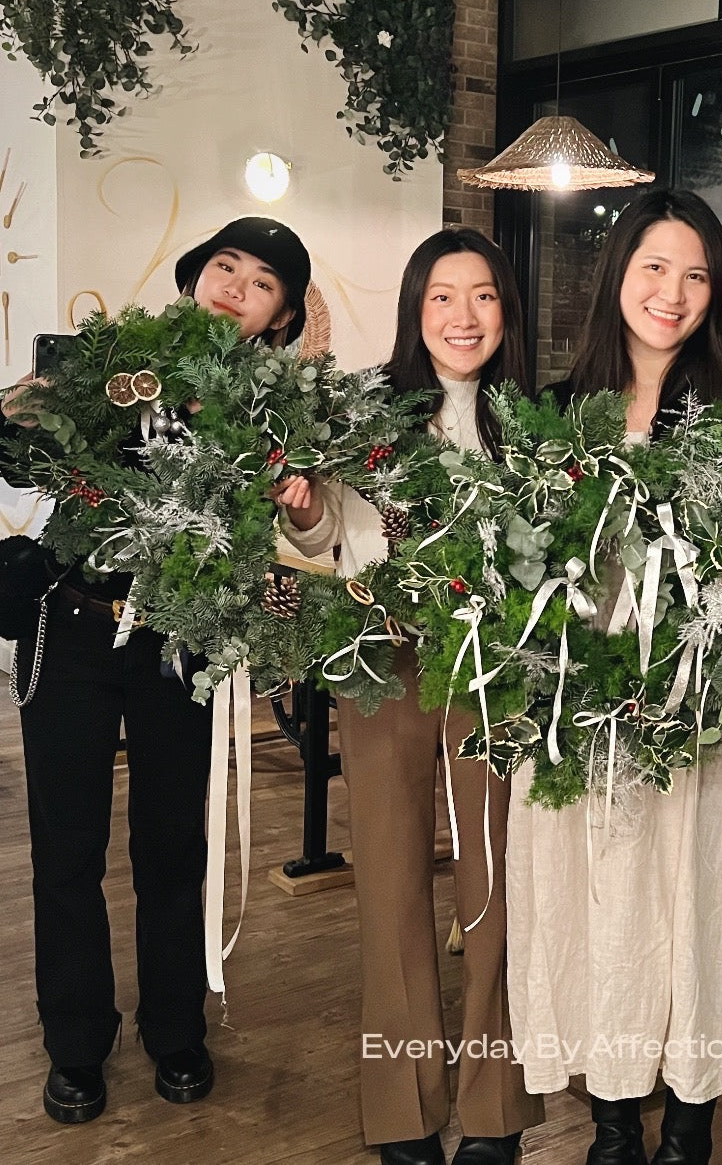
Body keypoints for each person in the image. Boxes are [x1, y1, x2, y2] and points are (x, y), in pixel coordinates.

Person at [505, 188, 722, 1165]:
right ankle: (614, 1119)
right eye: (655, 270)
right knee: (603, 908)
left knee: (707, 899)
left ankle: (692, 1122)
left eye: (697, 275)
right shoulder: (552, 408)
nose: (673, 294)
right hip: (586, 717)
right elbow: (518, 562)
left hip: (709, 717)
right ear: (617, 276)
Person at [0, 216, 310, 1125]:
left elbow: (287, 544)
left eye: (260, 283)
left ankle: (176, 1029)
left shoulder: (274, 411)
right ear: (192, 276)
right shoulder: (111, 362)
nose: (234, 286)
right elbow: (20, 463)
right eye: (224, 266)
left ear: (279, 319)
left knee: (173, 846)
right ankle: (75, 1044)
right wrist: (21, 409)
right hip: (74, 628)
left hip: (185, 637)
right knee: (67, 851)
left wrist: (294, 498)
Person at [274, 227, 544, 1165]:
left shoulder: (540, 423)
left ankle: (496, 1105)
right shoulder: (366, 413)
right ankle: (401, 1102)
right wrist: (306, 516)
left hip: (499, 669)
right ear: (413, 309)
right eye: (441, 296)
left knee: (496, 884)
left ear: (507, 310)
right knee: (389, 883)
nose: (461, 317)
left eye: (482, 296)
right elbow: (323, 549)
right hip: (381, 663)